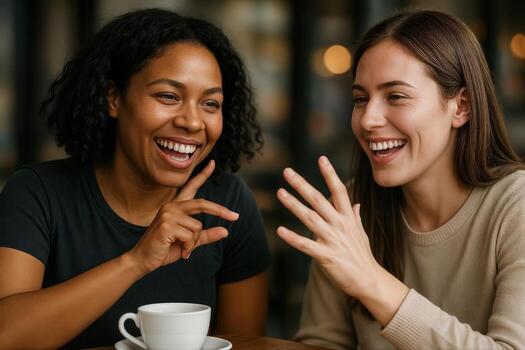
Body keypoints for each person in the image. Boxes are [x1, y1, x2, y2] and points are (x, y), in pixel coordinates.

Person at [0, 8, 271, 349]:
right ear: (113, 98)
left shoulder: (227, 205)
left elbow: (243, 343)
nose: (192, 121)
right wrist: (137, 261)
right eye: (168, 96)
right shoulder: (37, 192)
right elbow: (5, 336)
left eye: (210, 103)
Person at [276, 10, 525, 349]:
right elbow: (322, 343)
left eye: (395, 96)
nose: (368, 120)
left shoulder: (516, 207)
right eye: (361, 99)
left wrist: (371, 280)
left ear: (461, 106)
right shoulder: (350, 211)